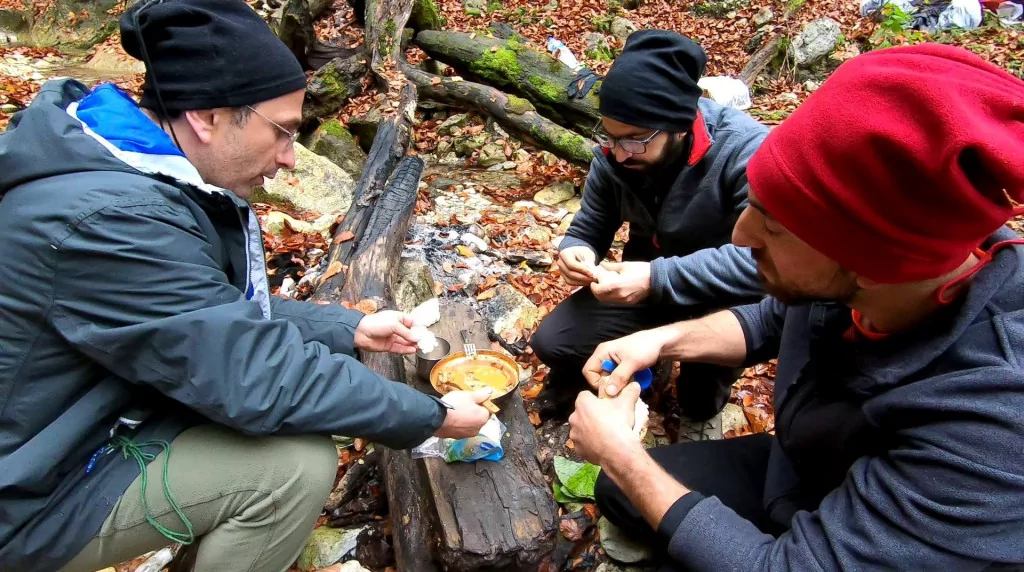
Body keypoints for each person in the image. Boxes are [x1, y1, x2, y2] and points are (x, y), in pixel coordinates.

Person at [0, 2, 491, 571]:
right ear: (207, 115)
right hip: (30, 492)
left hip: (75, 432)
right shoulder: (110, 218)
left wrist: (350, 325)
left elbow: (203, 315)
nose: (288, 159)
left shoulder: (125, 173)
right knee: (290, 470)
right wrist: (430, 417)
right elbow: (255, 374)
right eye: (281, 132)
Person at [568, 43, 1024, 570]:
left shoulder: (989, 425)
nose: (741, 237)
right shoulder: (869, 278)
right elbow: (775, 319)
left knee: (641, 495)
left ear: (876, 262)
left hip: (860, 526)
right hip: (802, 464)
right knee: (621, 494)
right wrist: (658, 341)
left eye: (775, 225)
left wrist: (622, 456)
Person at [532, 30, 768, 429]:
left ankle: (694, 395)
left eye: (636, 140)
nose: (621, 153)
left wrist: (658, 277)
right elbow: (589, 225)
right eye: (610, 136)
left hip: (723, 294)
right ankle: (645, 357)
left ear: (679, 125)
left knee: (698, 401)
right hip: (645, 286)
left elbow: (765, 260)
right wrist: (577, 251)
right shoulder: (615, 157)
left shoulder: (746, 151)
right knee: (553, 342)